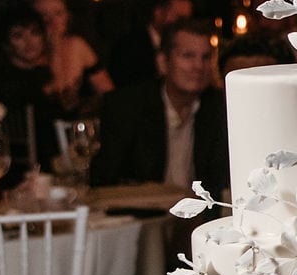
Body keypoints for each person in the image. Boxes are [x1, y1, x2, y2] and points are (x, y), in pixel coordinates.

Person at [91, 21, 227, 193]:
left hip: (201, 209)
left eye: (206, 57)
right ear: (163, 62)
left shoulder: (220, 107)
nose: (199, 66)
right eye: (188, 56)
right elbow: (104, 180)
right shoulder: (127, 107)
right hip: (141, 207)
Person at [0, 4, 63, 174]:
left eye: (35, 33)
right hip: (15, 167)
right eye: (18, 35)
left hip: (53, 161)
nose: (29, 42)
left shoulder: (43, 74)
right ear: (5, 43)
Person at [106, 0, 195, 94]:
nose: (184, 25)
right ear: (158, 13)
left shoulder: (187, 47)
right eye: (179, 18)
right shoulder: (129, 45)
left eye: (187, 20)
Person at [34, 0, 112, 108]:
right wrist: (55, 49)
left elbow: (107, 90)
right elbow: (56, 98)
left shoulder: (77, 45)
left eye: (58, 14)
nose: (52, 21)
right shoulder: (29, 53)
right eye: (43, 15)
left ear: (67, 17)